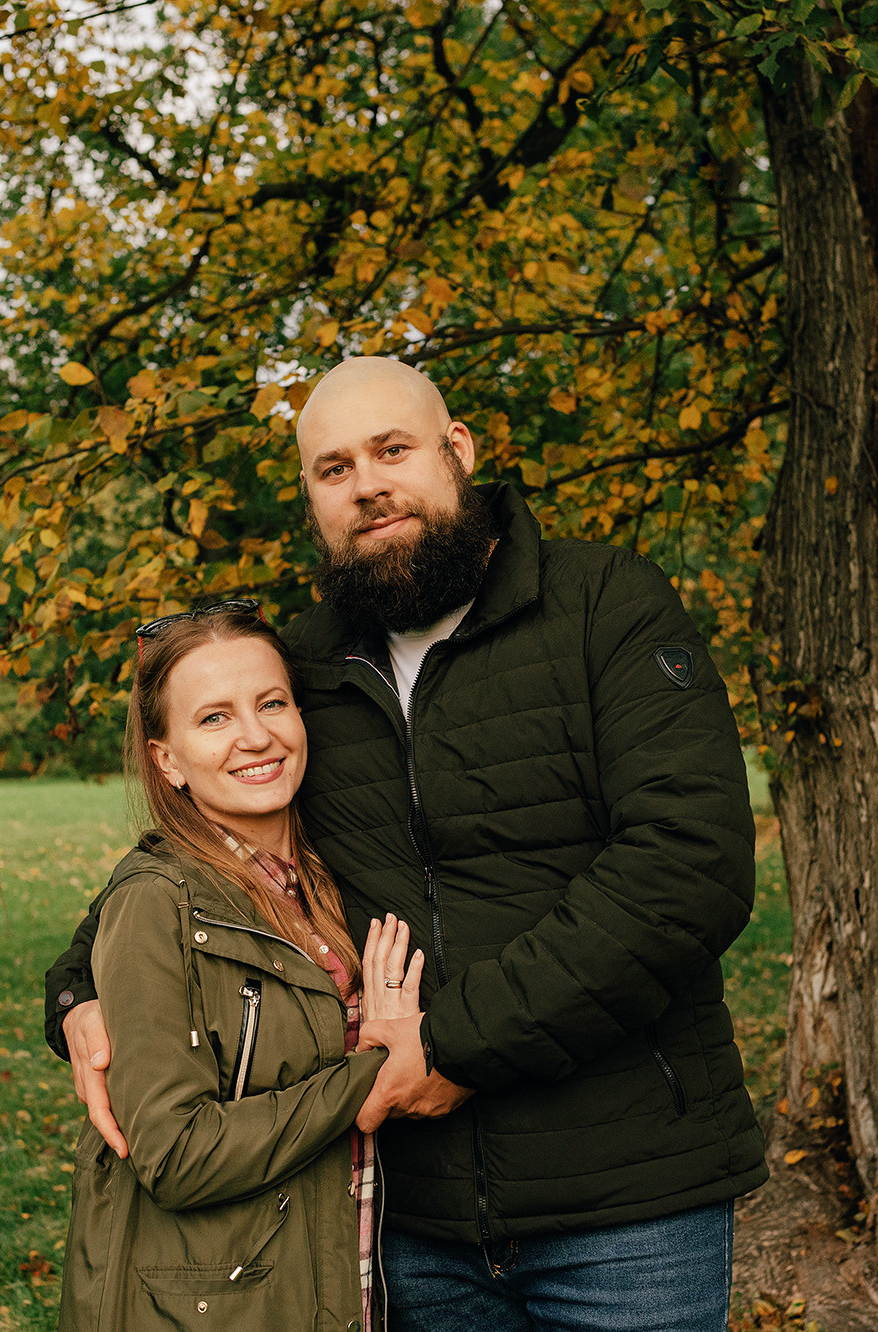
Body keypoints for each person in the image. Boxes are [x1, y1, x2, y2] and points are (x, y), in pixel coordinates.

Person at [47, 357, 766, 1331]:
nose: (367, 485)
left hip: (624, 1202)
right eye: (334, 468)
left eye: (392, 450)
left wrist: (452, 1044)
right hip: (408, 1223)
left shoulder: (604, 603)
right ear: (311, 497)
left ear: (455, 450)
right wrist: (77, 990)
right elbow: (189, 855)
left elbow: (688, 865)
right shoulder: (304, 667)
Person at [56, 603, 428, 1331]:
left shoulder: (326, 878)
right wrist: (372, 1073)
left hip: (332, 1280)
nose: (256, 736)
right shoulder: (156, 903)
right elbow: (175, 1154)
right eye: (214, 718)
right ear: (166, 759)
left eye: (272, 703)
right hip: (219, 1305)